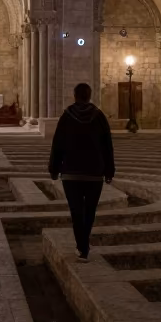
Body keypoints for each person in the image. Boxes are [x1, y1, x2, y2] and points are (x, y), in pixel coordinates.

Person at [48, 83, 115, 263]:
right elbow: (107, 146)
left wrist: (54, 169)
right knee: (90, 211)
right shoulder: (99, 116)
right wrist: (109, 170)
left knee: (76, 211)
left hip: (71, 173)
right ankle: (84, 246)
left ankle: (82, 247)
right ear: (89, 95)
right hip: (94, 173)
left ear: (74, 95)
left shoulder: (66, 117)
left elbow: (57, 145)